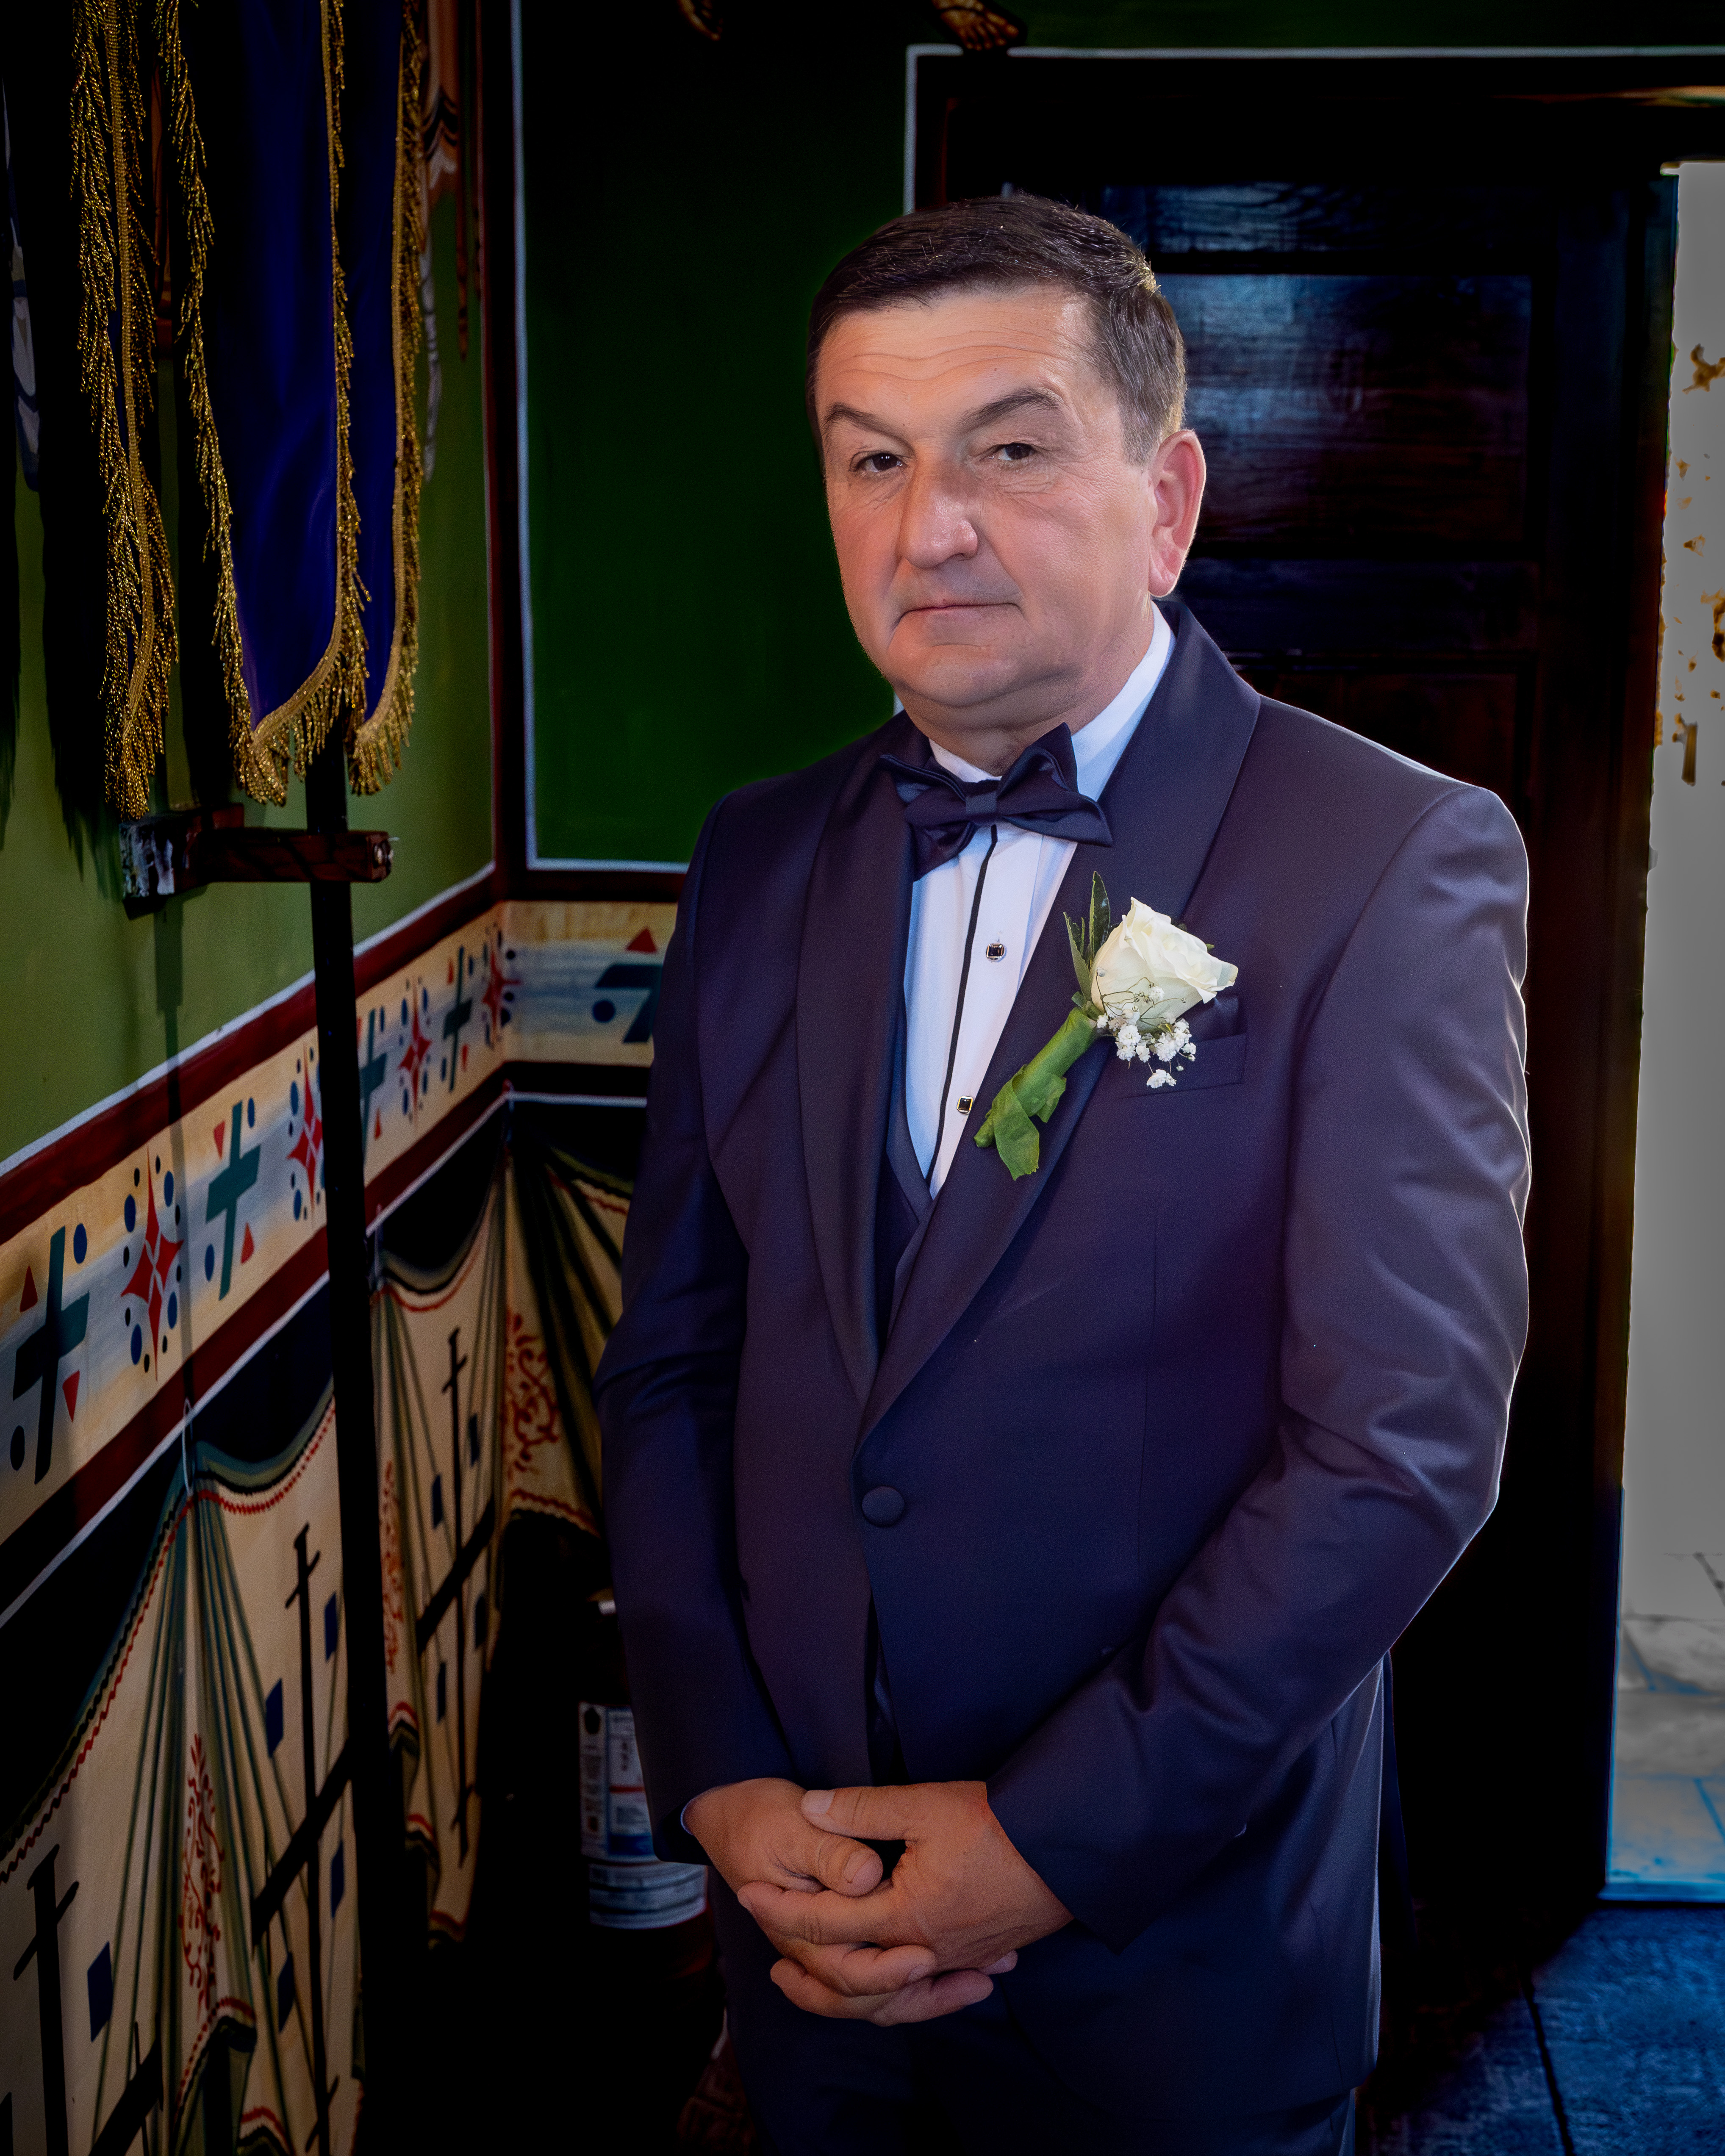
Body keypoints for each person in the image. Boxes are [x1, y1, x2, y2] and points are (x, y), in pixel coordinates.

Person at [594, 194, 1529, 2154]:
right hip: (805, 1935)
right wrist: (723, 1778)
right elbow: (674, 1358)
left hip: (1168, 1964)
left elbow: (1402, 1449)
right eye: (871, 459)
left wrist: (1041, 1844)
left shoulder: (1386, 856)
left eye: (1007, 449)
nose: (928, 526)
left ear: (1166, 500)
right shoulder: (757, 856)